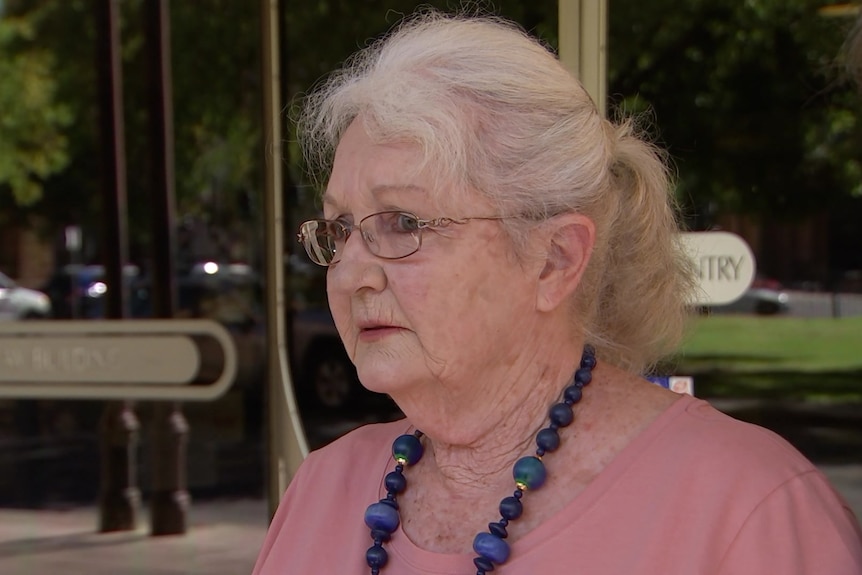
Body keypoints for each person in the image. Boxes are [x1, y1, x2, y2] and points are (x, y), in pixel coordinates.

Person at [253, 10, 862, 575]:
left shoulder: (744, 509)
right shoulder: (323, 489)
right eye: (338, 228)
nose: (351, 272)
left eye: (404, 223)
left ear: (555, 259)